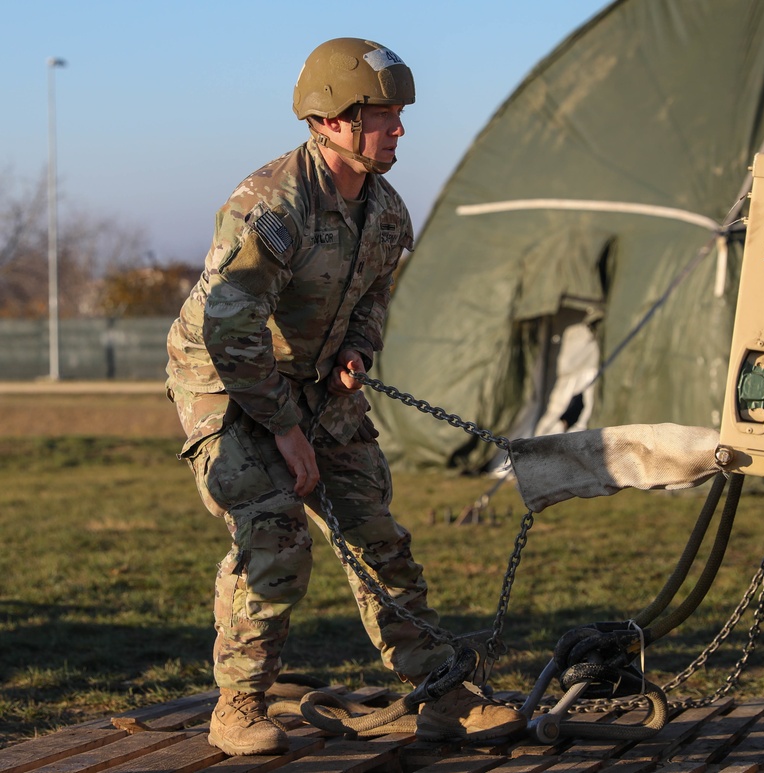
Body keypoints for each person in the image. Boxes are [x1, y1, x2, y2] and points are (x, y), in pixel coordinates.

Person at [165, 37, 524, 756]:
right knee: (275, 533)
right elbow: (228, 329)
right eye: (383, 116)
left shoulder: (387, 213)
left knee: (378, 537)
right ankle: (238, 705)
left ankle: (441, 692)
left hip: (315, 381)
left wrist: (358, 349)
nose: (399, 130)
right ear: (331, 121)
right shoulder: (271, 206)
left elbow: (373, 299)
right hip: (230, 381)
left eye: (397, 115)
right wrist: (287, 431)